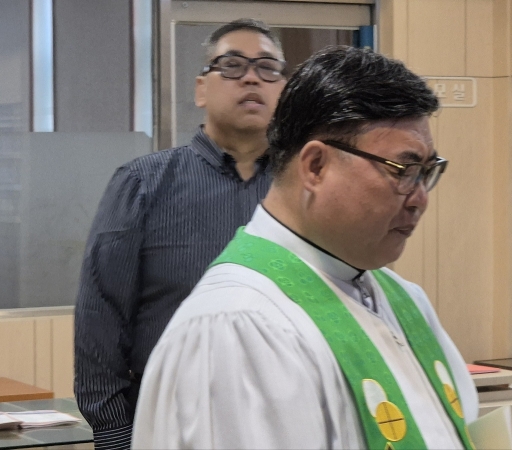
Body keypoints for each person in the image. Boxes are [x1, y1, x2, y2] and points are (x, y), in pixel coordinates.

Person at [131, 46, 478, 449]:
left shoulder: (404, 300)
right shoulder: (239, 325)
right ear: (316, 166)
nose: (420, 198)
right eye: (404, 171)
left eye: (427, 172)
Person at [73, 19, 286, 450]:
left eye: (267, 67)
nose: (251, 78)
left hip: (286, 418)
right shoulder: (143, 184)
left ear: (284, 90)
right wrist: (115, 435)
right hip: (169, 420)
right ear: (201, 89)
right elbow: (101, 317)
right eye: (232, 65)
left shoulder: (305, 187)